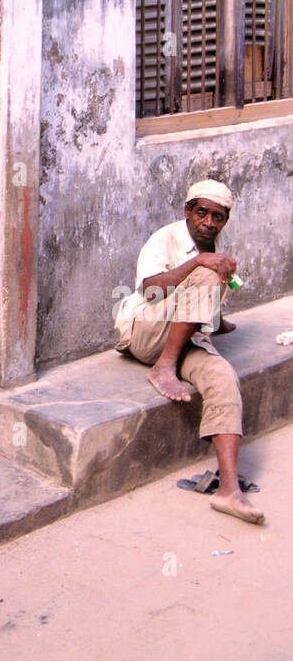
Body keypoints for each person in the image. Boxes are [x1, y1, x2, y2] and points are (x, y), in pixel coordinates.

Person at [114, 179, 263, 525]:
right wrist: (199, 264)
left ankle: (229, 490)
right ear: (188, 211)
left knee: (223, 376)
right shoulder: (164, 239)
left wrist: (218, 320)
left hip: (184, 341)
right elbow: (151, 289)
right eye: (202, 213)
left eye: (218, 217)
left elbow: (202, 298)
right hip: (146, 332)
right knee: (207, 274)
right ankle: (163, 367)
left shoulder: (215, 247)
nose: (209, 223)